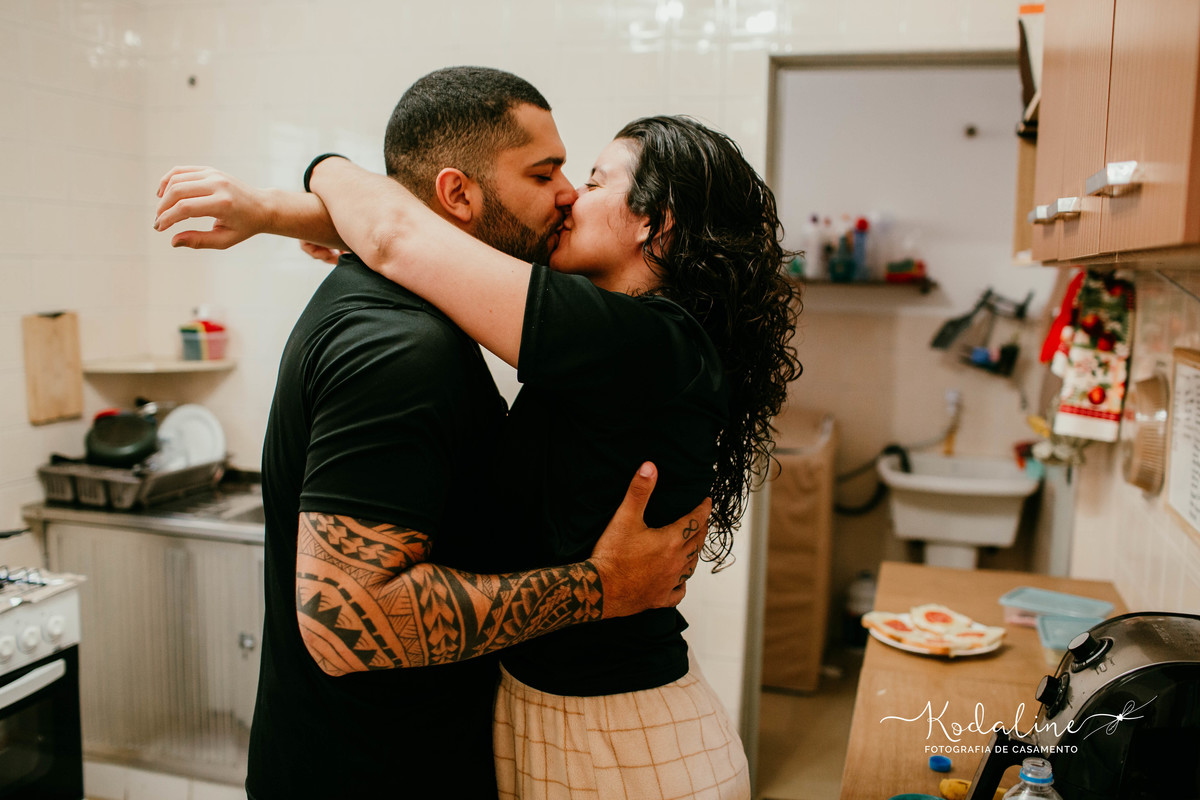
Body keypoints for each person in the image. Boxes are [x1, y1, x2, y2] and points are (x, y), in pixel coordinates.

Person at [158, 115, 802, 797]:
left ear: (655, 224)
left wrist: (314, 176)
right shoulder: (622, 342)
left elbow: (402, 237)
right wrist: (319, 221)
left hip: (620, 739)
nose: (568, 196)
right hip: (567, 723)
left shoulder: (647, 345)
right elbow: (433, 245)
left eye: (591, 182)